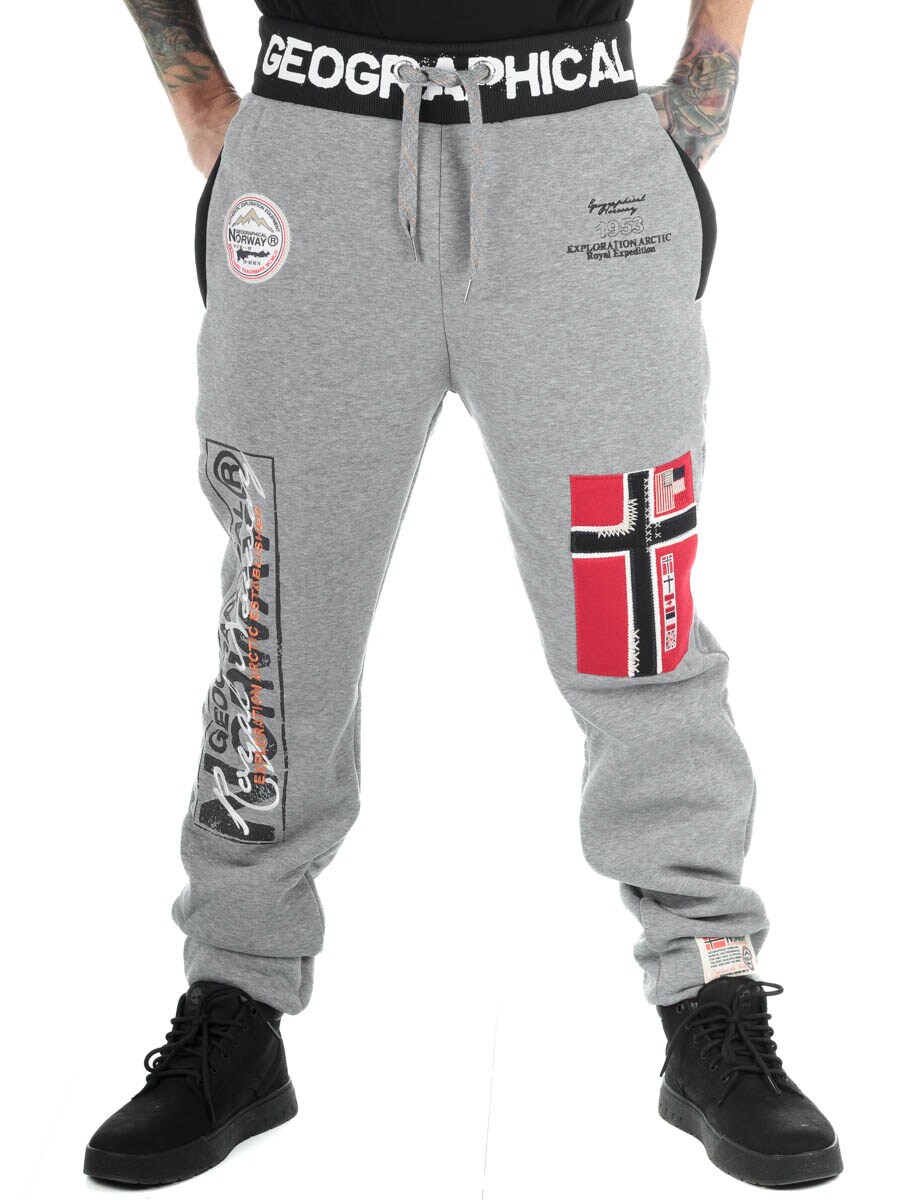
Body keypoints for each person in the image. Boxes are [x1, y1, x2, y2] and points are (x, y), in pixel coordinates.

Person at [84, 0, 842, 1188]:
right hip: (314, 156)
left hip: (576, 150)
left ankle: (709, 989)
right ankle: (234, 998)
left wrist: (711, 75)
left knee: (633, 609)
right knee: (277, 625)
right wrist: (196, 94)